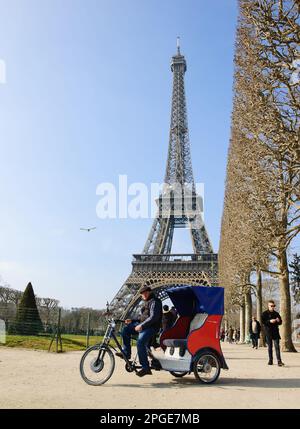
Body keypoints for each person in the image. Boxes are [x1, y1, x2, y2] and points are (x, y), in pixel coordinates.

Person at [116, 286, 162, 377]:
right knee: (125, 330)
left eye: (144, 293)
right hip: (144, 325)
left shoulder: (155, 302)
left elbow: (154, 317)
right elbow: (142, 318)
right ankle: (126, 353)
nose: (143, 295)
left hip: (151, 327)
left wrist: (141, 325)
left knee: (140, 342)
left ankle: (145, 368)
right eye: (141, 294)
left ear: (149, 292)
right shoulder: (147, 302)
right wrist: (132, 321)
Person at [262, 300, 284, 366]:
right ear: (268, 306)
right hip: (268, 332)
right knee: (270, 347)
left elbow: (280, 322)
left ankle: (279, 361)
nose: (273, 307)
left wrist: (278, 320)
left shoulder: (276, 314)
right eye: (271, 306)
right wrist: (270, 321)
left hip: (275, 332)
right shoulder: (264, 313)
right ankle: (270, 360)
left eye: (274, 306)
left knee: (277, 347)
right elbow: (263, 322)